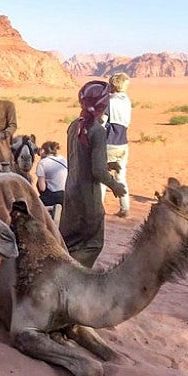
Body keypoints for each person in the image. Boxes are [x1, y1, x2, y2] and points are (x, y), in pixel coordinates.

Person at [59, 80, 126, 268]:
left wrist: (107, 163)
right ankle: (73, 277)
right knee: (92, 243)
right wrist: (115, 185)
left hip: (71, 193)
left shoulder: (74, 126)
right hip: (88, 198)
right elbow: (96, 171)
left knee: (69, 242)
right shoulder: (97, 131)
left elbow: (79, 159)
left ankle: (62, 273)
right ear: (103, 104)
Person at [103, 72, 132, 218]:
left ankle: (99, 208)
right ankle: (125, 208)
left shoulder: (109, 101)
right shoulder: (126, 100)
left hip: (110, 143)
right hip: (123, 143)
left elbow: (102, 122)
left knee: (102, 177)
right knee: (121, 178)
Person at [35, 141, 67, 207]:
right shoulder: (63, 159)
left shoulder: (42, 163)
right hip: (67, 196)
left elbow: (42, 188)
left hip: (54, 197)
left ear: (43, 151)